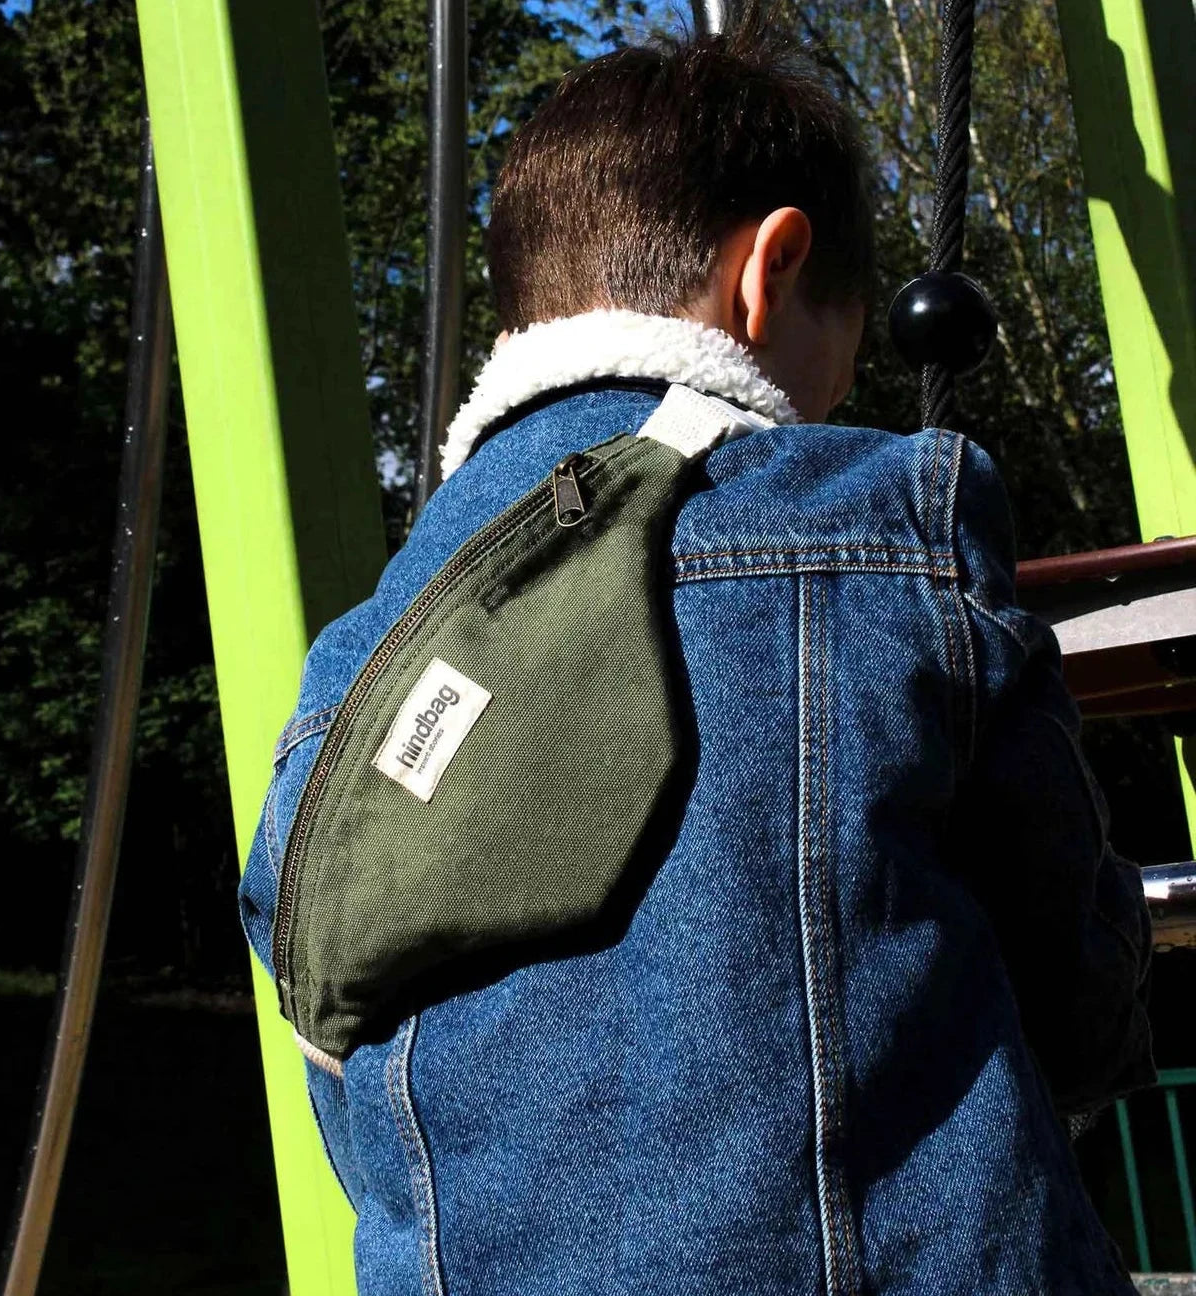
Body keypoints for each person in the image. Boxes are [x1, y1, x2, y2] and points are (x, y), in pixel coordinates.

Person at [239, 11, 1155, 1293]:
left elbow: (351, 1101)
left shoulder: (348, 677)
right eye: (840, 361)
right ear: (771, 269)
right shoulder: (884, 520)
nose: (833, 407)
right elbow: (1077, 988)